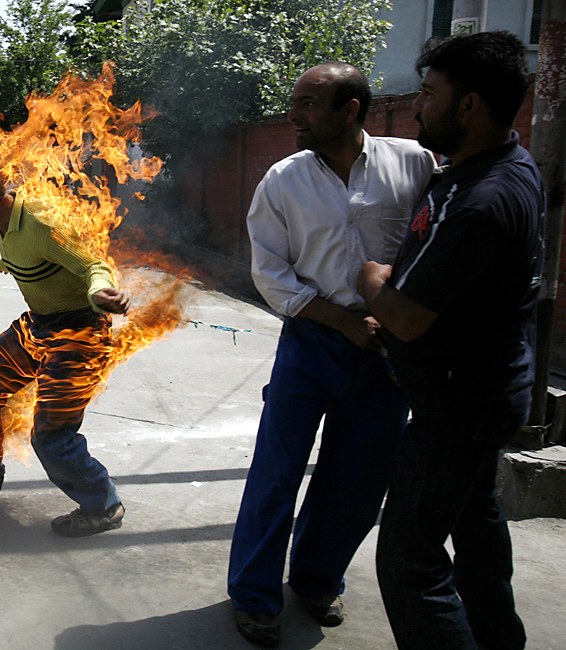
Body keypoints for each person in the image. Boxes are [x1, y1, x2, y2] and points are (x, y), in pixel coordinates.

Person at [229, 62, 435, 647]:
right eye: (295, 101)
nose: (295, 114)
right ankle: (254, 596)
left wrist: (393, 315)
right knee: (277, 471)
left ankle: (318, 579)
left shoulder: (413, 163)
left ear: (350, 110)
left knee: (359, 477)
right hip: (312, 340)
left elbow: (429, 242)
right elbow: (269, 273)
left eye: (309, 104)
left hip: (384, 346)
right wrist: (339, 319)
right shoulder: (282, 180)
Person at [357, 31, 541, 650]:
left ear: (470, 106)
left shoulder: (481, 199)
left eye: (429, 95)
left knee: (409, 559)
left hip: (456, 407)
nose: (416, 107)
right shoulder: (496, 167)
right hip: (483, 390)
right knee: (476, 518)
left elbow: (408, 317)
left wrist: (373, 282)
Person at [0, 155, 130, 537]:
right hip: (42, 324)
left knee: (52, 436)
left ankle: (104, 506)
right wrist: (9, 265)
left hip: (80, 335)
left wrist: (100, 290)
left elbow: (93, 266)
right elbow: (34, 258)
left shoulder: (41, 223)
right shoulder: (3, 223)